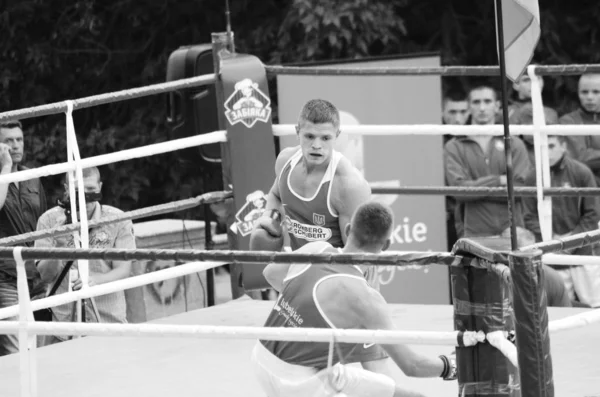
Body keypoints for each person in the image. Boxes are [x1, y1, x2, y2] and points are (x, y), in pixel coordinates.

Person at [252, 202, 456, 397]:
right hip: (300, 383)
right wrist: (450, 366)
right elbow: (411, 365)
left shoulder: (315, 249)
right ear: (386, 245)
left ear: (348, 229)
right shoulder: (367, 300)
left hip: (262, 357)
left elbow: (271, 273)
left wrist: (305, 311)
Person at [251, 99, 371, 253]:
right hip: (301, 265)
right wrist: (271, 218)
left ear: (337, 135)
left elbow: (355, 255)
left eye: (325, 138)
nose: (316, 145)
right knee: (270, 270)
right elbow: (275, 195)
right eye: (309, 136)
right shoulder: (285, 162)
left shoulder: (348, 185)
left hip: (339, 270)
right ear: (297, 132)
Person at [35, 166, 135, 345]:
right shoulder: (48, 221)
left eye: (90, 191)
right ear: (66, 189)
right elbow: (45, 276)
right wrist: (58, 246)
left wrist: (95, 280)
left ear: (100, 187)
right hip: (65, 326)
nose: (85, 198)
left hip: (108, 322)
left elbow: (123, 270)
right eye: (77, 191)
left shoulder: (118, 219)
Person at [444, 83, 531, 237]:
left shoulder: (515, 143)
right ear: (469, 107)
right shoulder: (453, 146)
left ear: (497, 106)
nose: (482, 108)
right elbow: (460, 191)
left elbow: (519, 190)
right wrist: (499, 180)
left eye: (487, 101)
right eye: (476, 102)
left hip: (512, 231)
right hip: (472, 231)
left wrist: (475, 191)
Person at [523, 135, 600, 307]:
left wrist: (569, 244)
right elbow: (528, 216)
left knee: (595, 304)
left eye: (551, 146)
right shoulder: (532, 176)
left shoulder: (581, 172)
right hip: (552, 253)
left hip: (583, 251)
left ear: (563, 146)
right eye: (543, 147)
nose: (547, 152)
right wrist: (553, 243)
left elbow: (592, 214)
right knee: (560, 308)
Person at [0, 120, 48, 356]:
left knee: (39, 347)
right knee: (17, 350)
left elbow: (46, 221)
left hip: (37, 275)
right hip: (6, 276)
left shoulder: (33, 176)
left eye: (19, 140)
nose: (16, 145)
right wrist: (5, 169)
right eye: (9, 141)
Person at [560, 73, 600, 185]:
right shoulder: (568, 121)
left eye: (596, 92)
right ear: (578, 93)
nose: (590, 97)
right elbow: (579, 157)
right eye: (584, 92)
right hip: (583, 187)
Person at [441, 90, 469, 249]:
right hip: (442, 214)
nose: (458, 118)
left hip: (470, 212)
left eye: (462, 112)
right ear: (442, 112)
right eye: (452, 112)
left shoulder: (476, 139)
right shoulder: (430, 140)